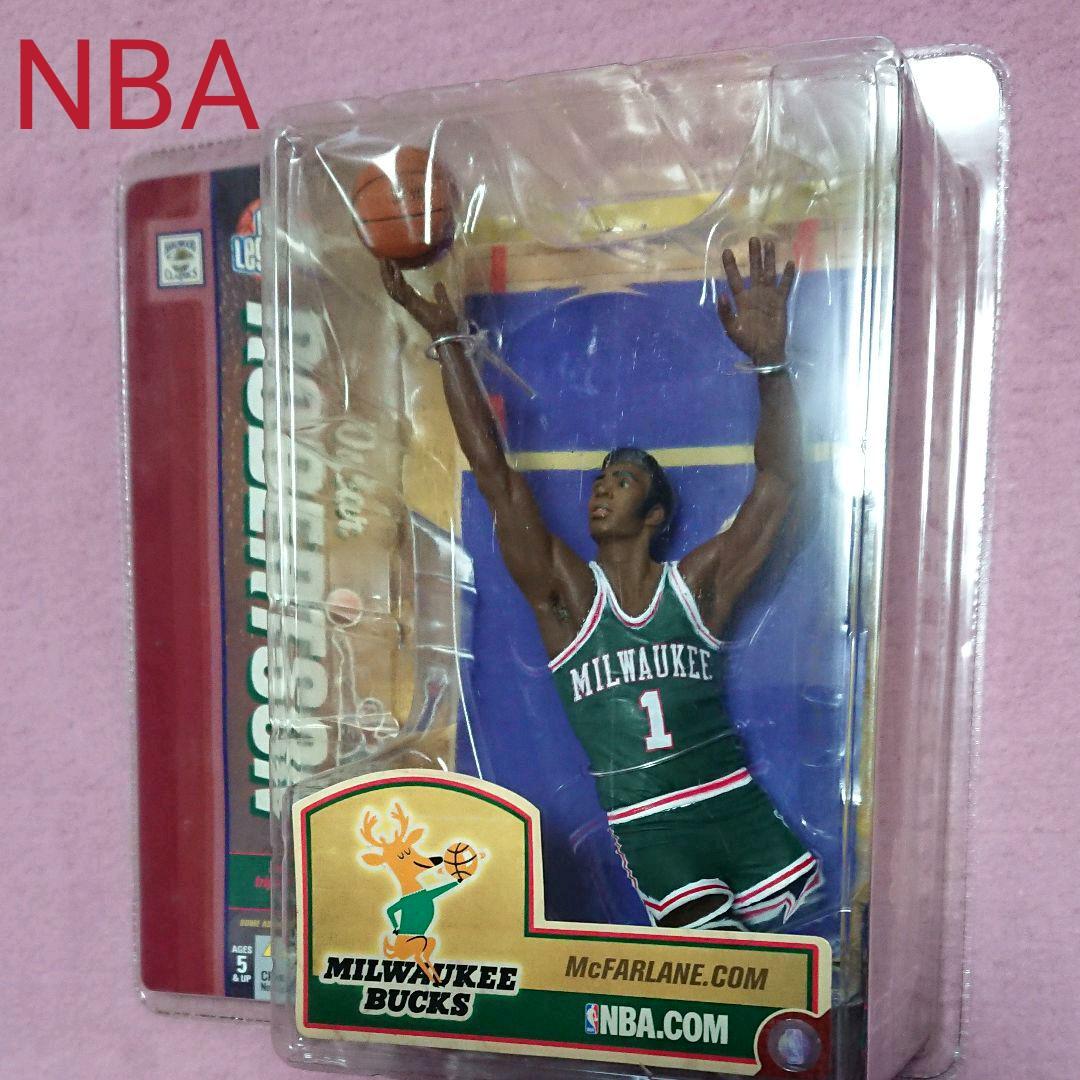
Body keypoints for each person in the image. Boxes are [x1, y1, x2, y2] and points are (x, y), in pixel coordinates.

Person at [379, 238, 820, 931]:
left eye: (623, 481)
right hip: (652, 827)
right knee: (715, 971)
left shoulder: (697, 587)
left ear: (656, 514)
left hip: (734, 802)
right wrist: (449, 345)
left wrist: (771, 364)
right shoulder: (568, 599)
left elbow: (780, 483)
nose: (602, 491)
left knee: (820, 956)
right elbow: (496, 477)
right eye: (599, 481)